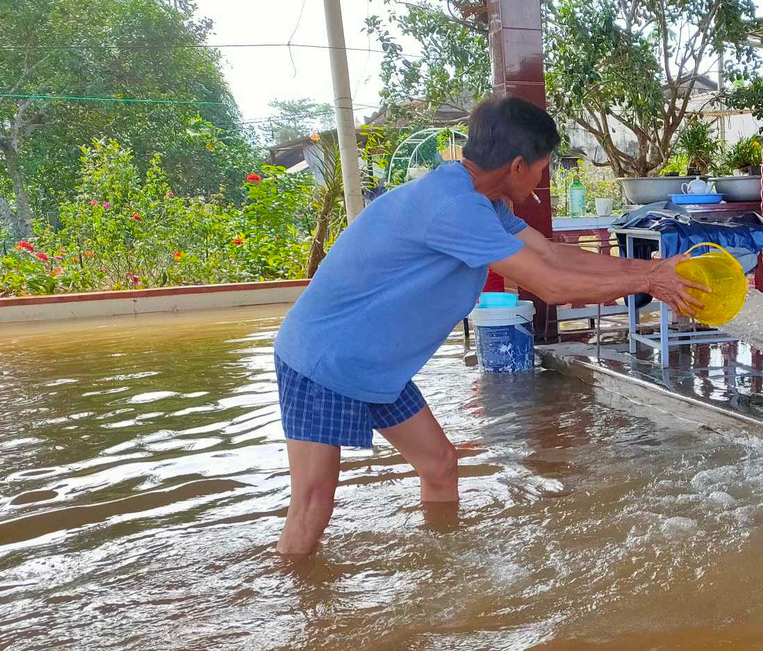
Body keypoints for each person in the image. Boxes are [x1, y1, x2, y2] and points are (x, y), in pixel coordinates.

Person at [272, 95, 705, 555]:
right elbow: (551, 285)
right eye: (542, 169)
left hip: (375, 362)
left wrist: (653, 269)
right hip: (325, 359)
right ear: (517, 166)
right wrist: (650, 281)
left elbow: (551, 255)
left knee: (440, 464)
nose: (542, 181)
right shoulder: (454, 207)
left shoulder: (481, 201)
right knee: (313, 504)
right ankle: (297, 593)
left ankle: (443, 563)